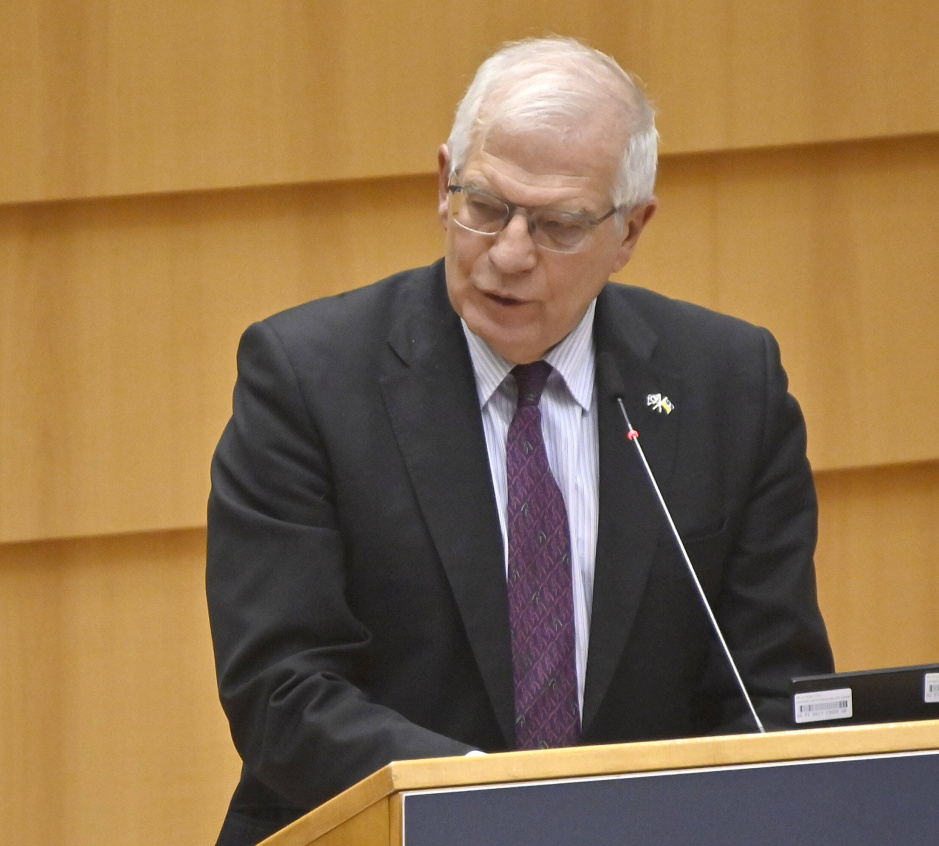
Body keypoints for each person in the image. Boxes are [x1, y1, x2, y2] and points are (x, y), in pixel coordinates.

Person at [207, 36, 833, 846]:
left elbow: (771, 694)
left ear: (631, 231)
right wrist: (491, 811)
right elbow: (282, 692)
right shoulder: (307, 379)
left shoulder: (728, 387)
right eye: (485, 206)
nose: (507, 254)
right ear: (443, 185)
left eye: (559, 225)